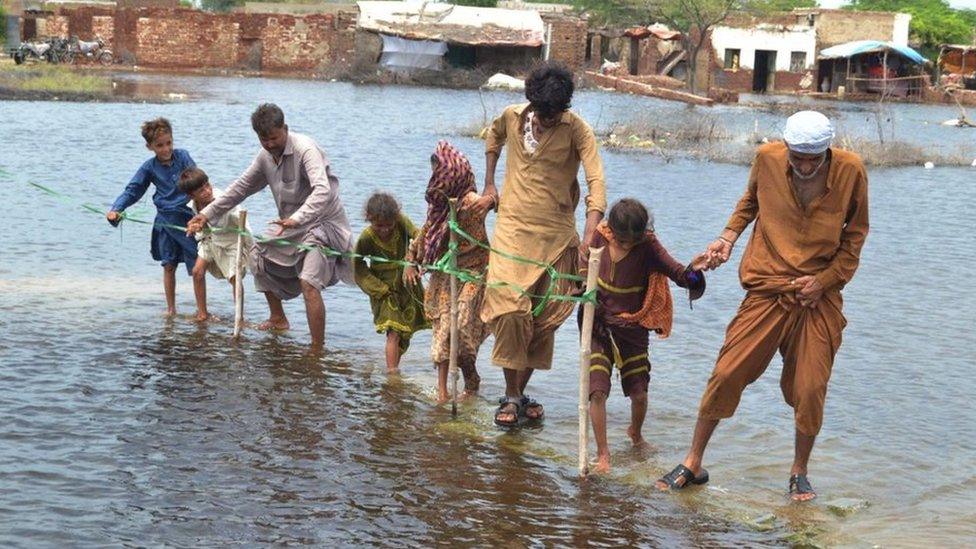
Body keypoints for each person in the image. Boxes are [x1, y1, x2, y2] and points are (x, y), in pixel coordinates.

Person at [656, 111, 869, 501]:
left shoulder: (851, 171)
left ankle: (799, 471)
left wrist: (824, 282)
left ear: (827, 152)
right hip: (767, 285)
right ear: (786, 148)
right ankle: (693, 460)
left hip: (817, 294)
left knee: (809, 388)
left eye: (813, 158)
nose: (804, 166)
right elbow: (750, 201)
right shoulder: (768, 159)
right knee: (726, 373)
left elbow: (855, 237)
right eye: (797, 157)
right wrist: (728, 236)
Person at [475, 61, 607, 427]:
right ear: (532, 103)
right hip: (512, 231)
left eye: (556, 114)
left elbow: (597, 185)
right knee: (511, 310)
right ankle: (513, 393)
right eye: (543, 113)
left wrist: (590, 234)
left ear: (564, 108)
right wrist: (489, 186)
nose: (548, 120)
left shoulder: (578, 130)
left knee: (541, 321)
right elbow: (493, 138)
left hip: (556, 237)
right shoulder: (512, 117)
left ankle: (515, 397)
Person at [185, 104, 354, 349]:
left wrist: (298, 217)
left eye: (274, 138)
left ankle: (317, 348)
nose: (270, 144)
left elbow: (322, 190)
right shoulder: (264, 156)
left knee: (309, 282)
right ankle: (278, 318)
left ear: (284, 129)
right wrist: (207, 215)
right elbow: (240, 188)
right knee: (256, 254)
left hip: (322, 224)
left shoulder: (305, 148)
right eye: (264, 139)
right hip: (290, 225)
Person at [583, 199, 709, 474]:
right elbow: (584, 273)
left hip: (632, 330)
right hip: (599, 326)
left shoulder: (648, 245)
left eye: (632, 242)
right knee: (597, 391)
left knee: (639, 393)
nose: (627, 246)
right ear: (612, 231)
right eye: (622, 240)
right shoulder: (600, 236)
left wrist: (695, 270)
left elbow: (678, 273)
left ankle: (635, 434)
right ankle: (603, 454)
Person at [404, 141, 491, 403]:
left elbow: (496, 204)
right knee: (443, 330)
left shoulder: (473, 203)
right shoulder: (439, 207)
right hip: (445, 275)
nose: (437, 181)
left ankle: (471, 378)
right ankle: (442, 392)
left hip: (473, 273)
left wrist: (492, 198)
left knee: (461, 325)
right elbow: (425, 235)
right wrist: (411, 260)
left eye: (440, 175)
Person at [106, 117, 202, 318]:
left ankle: (202, 311)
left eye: (169, 143)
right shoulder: (149, 168)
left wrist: (207, 210)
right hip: (165, 221)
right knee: (168, 265)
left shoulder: (183, 157)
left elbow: (197, 181)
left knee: (196, 267)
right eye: (160, 145)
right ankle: (171, 309)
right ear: (149, 146)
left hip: (188, 221)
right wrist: (116, 209)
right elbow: (133, 190)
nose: (166, 149)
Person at [354, 192, 429, 373]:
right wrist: (379, 288)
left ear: (395, 218)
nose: (385, 230)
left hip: (407, 284)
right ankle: (392, 374)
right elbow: (358, 267)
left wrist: (411, 261)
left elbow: (420, 237)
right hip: (385, 290)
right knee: (393, 331)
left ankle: (394, 365)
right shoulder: (366, 238)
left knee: (406, 331)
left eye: (389, 225)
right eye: (379, 225)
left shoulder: (402, 222)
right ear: (369, 219)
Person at [178, 167, 253, 321]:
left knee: (234, 279)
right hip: (210, 240)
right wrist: (196, 227)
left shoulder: (223, 200)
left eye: (207, 185)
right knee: (197, 272)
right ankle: (202, 313)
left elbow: (242, 226)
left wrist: (252, 248)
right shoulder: (195, 205)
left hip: (230, 242)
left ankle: (240, 318)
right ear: (192, 196)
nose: (207, 191)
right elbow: (201, 225)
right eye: (201, 190)